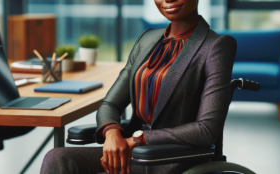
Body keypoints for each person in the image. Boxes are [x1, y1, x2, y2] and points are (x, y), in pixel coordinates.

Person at [40, 0, 237, 173]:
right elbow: (110, 103)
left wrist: (138, 139)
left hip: (171, 157)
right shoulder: (147, 39)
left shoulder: (216, 46)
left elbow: (206, 130)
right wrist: (111, 133)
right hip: (130, 149)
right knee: (57, 158)